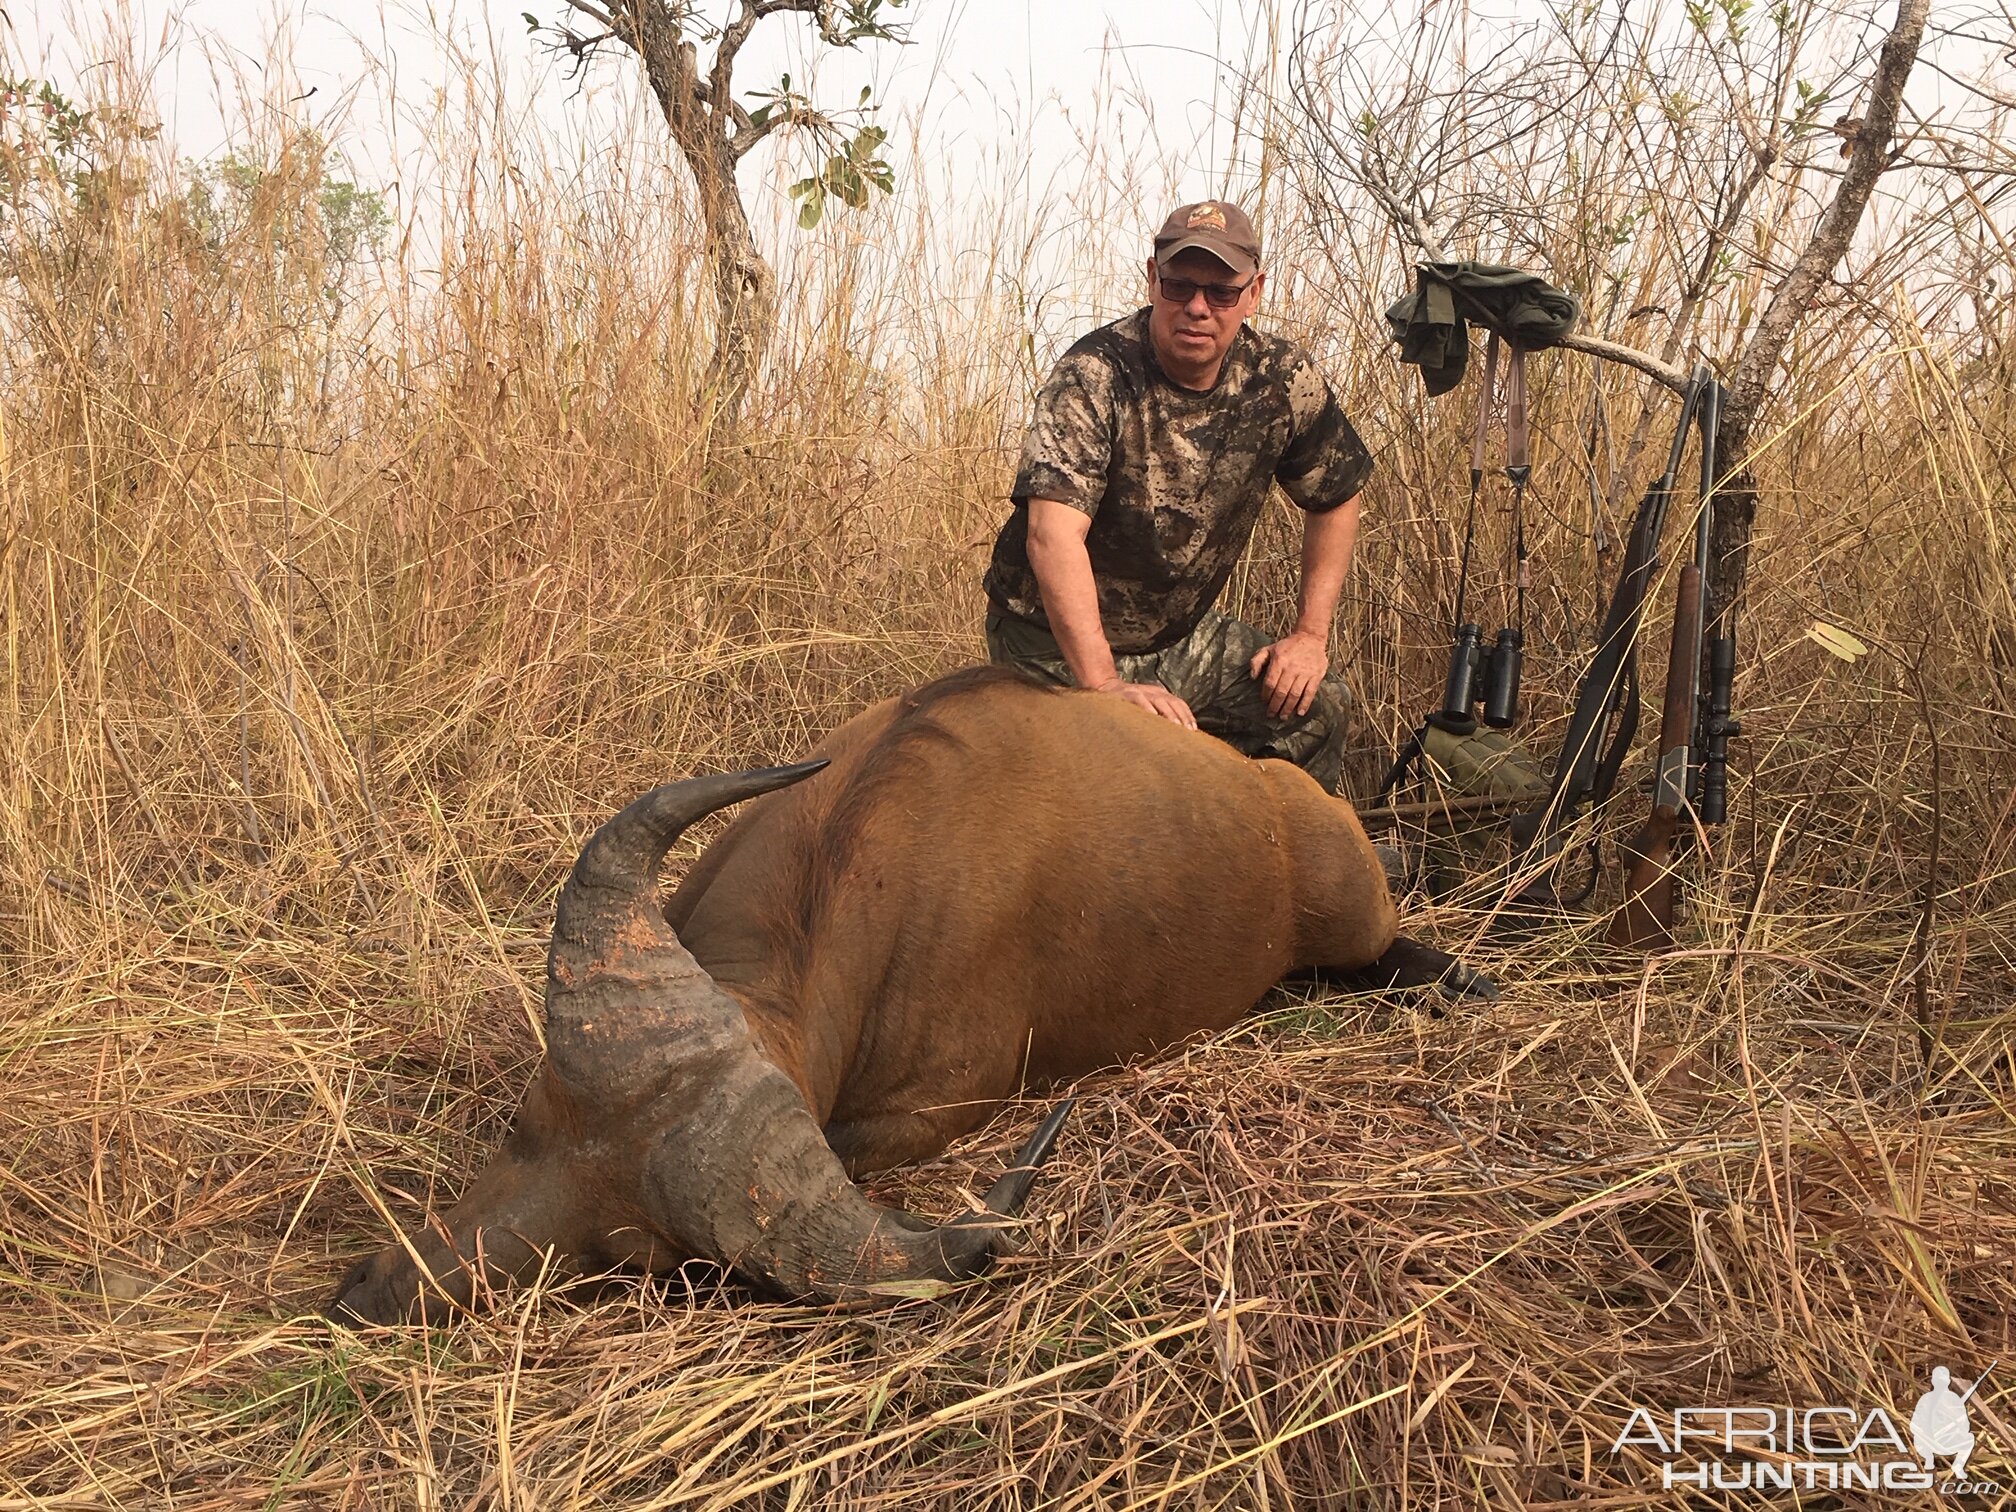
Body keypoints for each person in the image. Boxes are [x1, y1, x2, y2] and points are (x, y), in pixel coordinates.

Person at [982, 199, 1372, 797]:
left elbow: (1337, 494)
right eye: (1179, 285)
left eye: (1220, 292)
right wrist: (1106, 689)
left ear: (1255, 292)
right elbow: (1051, 535)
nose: (1197, 307)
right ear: (1152, 279)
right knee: (1120, 783)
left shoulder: (1281, 378)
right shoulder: (1093, 375)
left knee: (1314, 704)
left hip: (1178, 637)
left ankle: (1282, 872)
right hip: (1052, 646)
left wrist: (1309, 637)